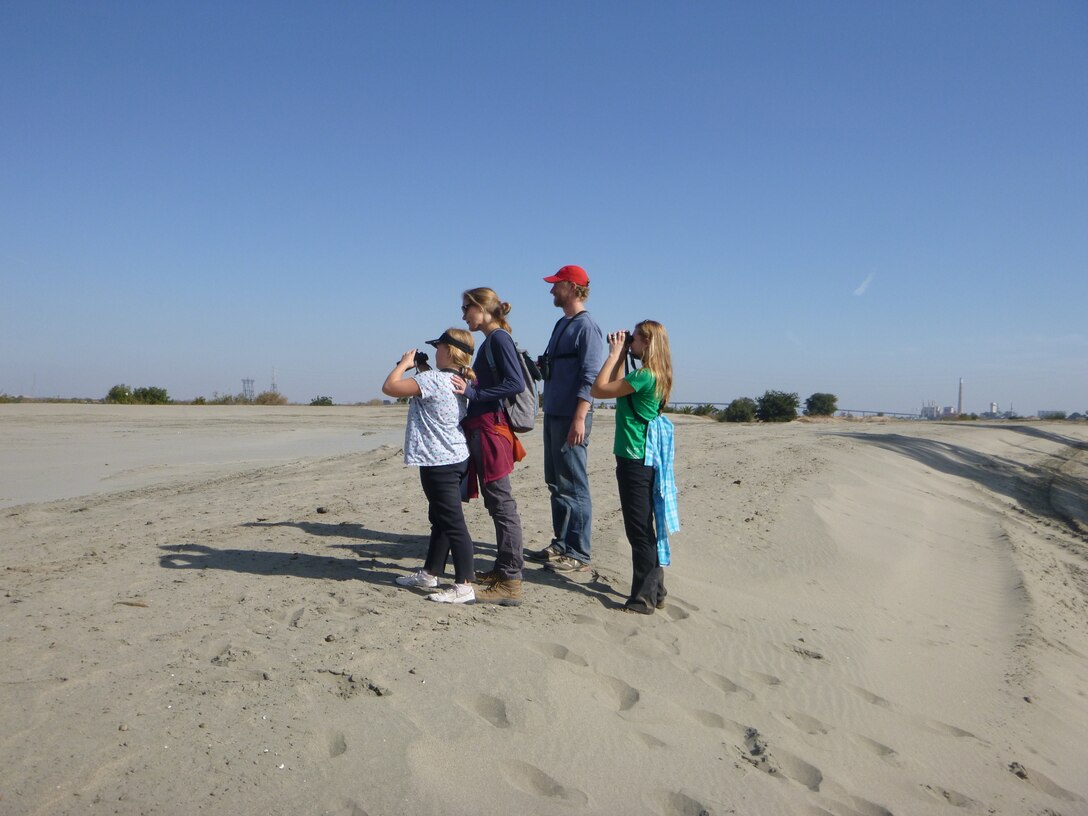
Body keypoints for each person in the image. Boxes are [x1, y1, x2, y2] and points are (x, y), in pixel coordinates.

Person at [381, 329, 477, 604]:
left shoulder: (432, 380)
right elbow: (434, 388)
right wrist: (422, 367)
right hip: (456, 457)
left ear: (448, 351)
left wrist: (404, 364)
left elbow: (390, 387)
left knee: (453, 523)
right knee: (441, 519)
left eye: (439, 347)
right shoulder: (456, 379)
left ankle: (464, 585)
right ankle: (430, 573)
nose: (435, 352)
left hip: (439, 463)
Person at [591, 320, 678, 615]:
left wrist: (615, 353)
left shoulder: (643, 375)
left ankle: (642, 599)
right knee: (645, 526)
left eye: (636, 339)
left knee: (639, 531)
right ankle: (658, 591)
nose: (632, 342)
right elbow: (617, 390)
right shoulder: (658, 374)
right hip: (645, 458)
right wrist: (623, 354)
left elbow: (599, 389)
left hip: (635, 459)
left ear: (648, 343)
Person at [526, 265, 604, 572]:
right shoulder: (561, 324)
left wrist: (579, 418)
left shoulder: (588, 327)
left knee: (574, 484)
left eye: (556, 284)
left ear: (572, 287)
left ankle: (579, 551)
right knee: (556, 483)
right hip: (554, 412)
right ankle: (561, 543)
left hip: (572, 416)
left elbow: (590, 377)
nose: (551, 290)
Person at [452, 288, 527, 606]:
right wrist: (475, 380)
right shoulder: (493, 340)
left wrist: (473, 391)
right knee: (497, 503)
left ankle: (511, 581)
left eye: (466, 307)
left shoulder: (498, 339)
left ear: (482, 308)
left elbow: (515, 383)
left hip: (491, 431)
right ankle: (503, 570)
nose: (464, 314)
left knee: (501, 504)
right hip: (486, 429)